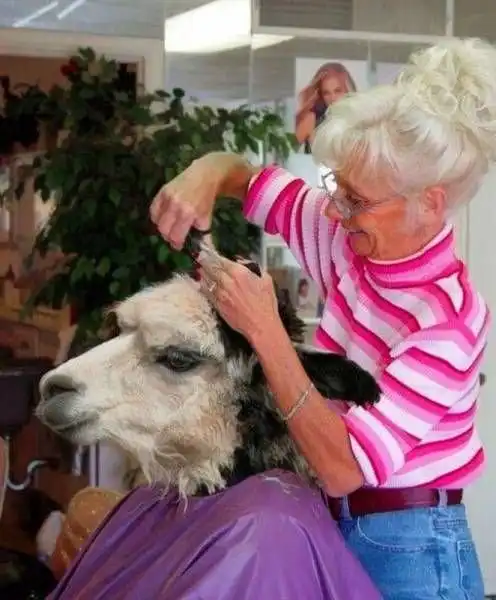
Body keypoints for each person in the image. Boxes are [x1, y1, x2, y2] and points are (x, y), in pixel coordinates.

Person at [150, 37, 493, 599]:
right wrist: (203, 174)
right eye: (337, 186)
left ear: (429, 203)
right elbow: (247, 179)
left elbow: (343, 467)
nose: (334, 209)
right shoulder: (346, 240)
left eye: (356, 200)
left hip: (413, 549)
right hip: (336, 521)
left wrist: (265, 331)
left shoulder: (446, 321)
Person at [295, 61, 356, 151]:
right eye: (326, 93)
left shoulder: (358, 121)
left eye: (337, 91)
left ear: (348, 91)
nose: (332, 98)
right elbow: (285, 151)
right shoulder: (311, 120)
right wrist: (303, 108)